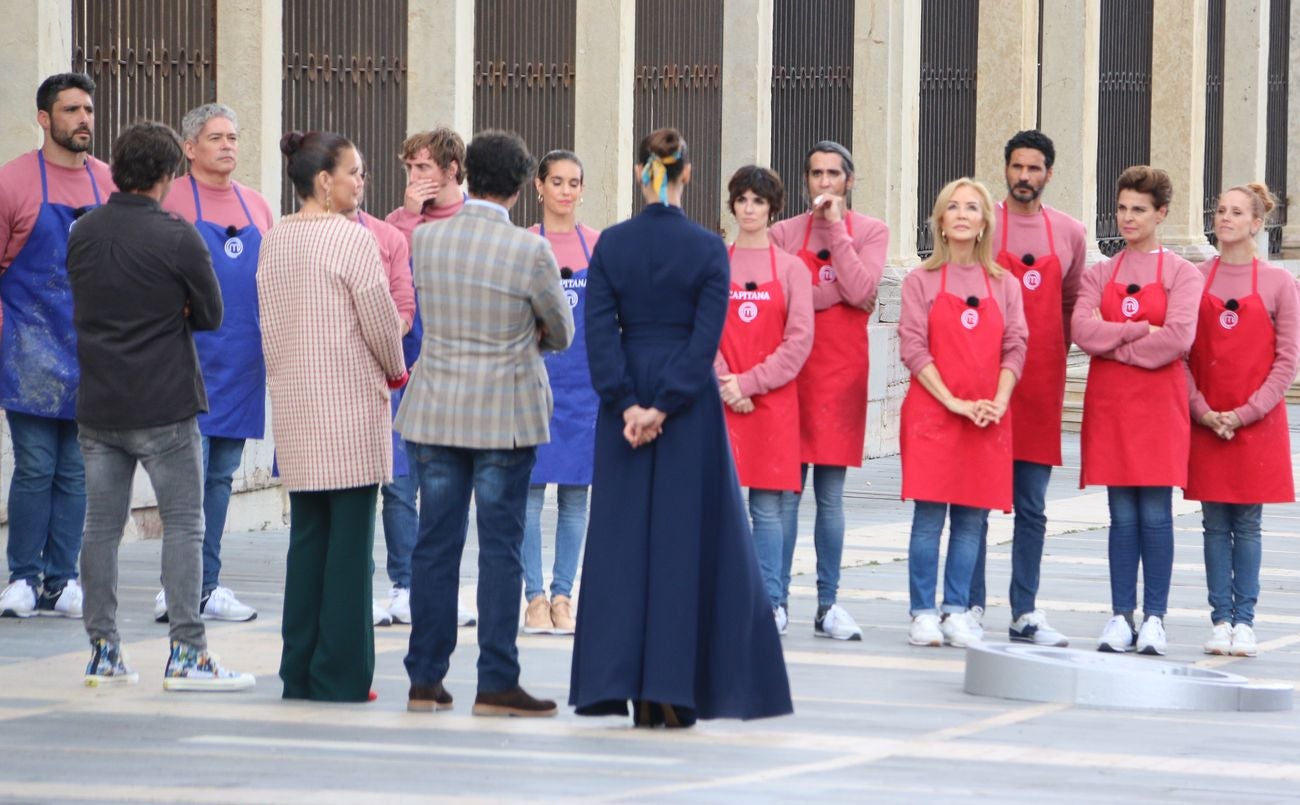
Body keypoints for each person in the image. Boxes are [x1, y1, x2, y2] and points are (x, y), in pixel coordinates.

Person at [569, 128, 792, 727]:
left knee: (622, 546)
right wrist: (665, 405)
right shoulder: (707, 249)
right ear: (686, 175)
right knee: (685, 544)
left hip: (626, 404)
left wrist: (627, 405)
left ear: (644, 173)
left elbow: (597, 334)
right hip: (688, 408)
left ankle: (622, 680)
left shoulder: (610, 245)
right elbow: (704, 340)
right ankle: (676, 686)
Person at [67, 120, 254, 690]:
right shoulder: (179, 235)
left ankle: (103, 650)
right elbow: (212, 315)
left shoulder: (83, 232)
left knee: (100, 527)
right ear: (169, 175)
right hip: (166, 402)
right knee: (184, 524)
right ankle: (188, 653)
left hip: (99, 402)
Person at [399, 130, 574, 718]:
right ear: (525, 186)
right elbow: (563, 331)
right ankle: (497, 679)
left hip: (436, 409)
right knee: (500, 549)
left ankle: (425, 677)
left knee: (434, 545)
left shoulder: (428, 240)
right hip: (505, 413)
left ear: (466, 174)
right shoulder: (532, 252)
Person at [258, 130, 406, 701]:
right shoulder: (352, 240)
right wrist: (396, 370)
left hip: (296, 406)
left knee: (308, 544)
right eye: (355, 171)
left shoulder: (275, 239)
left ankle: (299, 670)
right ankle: (342, 675)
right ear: (324, 181)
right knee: (349, 554)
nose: (360, 181)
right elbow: (379, 319)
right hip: (346, 409)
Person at [1072, 165, 1202, 656]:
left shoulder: (1182, 274)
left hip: (1159, 407)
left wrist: (1114, 340)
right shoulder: (1099, 272)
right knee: (1120, 516)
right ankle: (1119, 615)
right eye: (1123, 208)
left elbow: (1178, 340)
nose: (1128, 218)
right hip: (1111, 406)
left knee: (1156, 515)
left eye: (1139, 210)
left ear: (1161, 214)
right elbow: (1083, 331)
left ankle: (1155, 618)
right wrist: (1138, 332)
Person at [154, 103, 275, 625]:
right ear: (188, 147)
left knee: (222, 477)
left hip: (243, 363)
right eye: (216, 137)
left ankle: (209, 583)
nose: (228, 145)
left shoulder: (258, 206)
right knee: (188, 478)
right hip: (187, 360)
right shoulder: (169, 201)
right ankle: (174, 588)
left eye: (233, 136)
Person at [0, 73, 114, 619]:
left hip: (91, 350)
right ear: (45, 118)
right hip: (27, 346)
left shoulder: (109, 185)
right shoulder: (12, 182)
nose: (84, 119)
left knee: (76, 471)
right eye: (71, 110)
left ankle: (61, 579)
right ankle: (22, 576)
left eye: (88, 109)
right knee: (36, 465)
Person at [968, 130, 1087, 647]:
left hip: (1040, 385)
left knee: (1032, 507)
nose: (1024, 177)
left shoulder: (1071, 233)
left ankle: (1025, 610)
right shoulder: (983, 226)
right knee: (973, 497)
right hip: (983, 381)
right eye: (1017, 167)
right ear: (1006, 169)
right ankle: (967, 602)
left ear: (1049, 173)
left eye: (1034, 168)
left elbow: (1072, 304)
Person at [899, 178, 1027, 648]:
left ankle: (956, 610)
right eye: (952, 206)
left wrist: (1000, 398)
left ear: (983, 224)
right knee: (929, 516)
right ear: (939, 220)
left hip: (989, 415)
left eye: (972, 208)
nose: (961, 214)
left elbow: (1016, 345)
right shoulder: (920, 280)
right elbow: (913, 346)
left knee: (971, 519)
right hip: (934, 414)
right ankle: (922, 612)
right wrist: (951, 400)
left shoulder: (1004, 283)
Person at [769, 141, 888, 641]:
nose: (823, 183)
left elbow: (863, 292)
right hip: (791, 373)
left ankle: (829, 602)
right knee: (785, 496)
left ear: (849, 181)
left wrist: (837, 230)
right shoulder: (781, 232)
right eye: (815, 173)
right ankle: (775, 599)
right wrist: (828, 291)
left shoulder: (871, 232)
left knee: (832, 497)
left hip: (841, 375)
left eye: (833, 174)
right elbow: (779, 298)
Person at [1186, 183, 1299, 658]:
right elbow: (1182, 355)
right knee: (1213, 523)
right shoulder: (1195, 279)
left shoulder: (1278, 284)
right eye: (1220, 210)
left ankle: (1245, 621)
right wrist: (1204, 411)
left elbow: (1287, 360)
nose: (1224, 218)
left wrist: (1247, 412)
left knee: (1248, 524)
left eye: (1236, 212)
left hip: (1256, 422)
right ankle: (1219, 619)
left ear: (1257, 223)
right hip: (1207, 419)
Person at [714, 165, 813, 634]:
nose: (749, 209)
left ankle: (772, 600)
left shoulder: (792, 269)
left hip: (772, 403)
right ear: (732, 205)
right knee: (721, 506)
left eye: (759, 201)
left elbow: (798, 342)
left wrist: (748, 384)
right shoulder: (716, 261)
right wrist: (724, 384)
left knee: (769, 508)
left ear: (774, 209)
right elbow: (702, 330)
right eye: (742, 200)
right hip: (720, 404)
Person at [385, 128, 477, 629]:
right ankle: (403, 585)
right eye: (410, 168)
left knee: (448, 487)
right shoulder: (396, 224)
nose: (416, 177)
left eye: (424, 168)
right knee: (400, 484)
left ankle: (441, 584)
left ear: (452, 169)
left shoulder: (473, 220)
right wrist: (408, 217)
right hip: (402, 366)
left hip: (455, 371)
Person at [521, 150, 601, 636]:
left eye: (574, 182)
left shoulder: (598, 246)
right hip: (531, 386)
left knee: (575, 497)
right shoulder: (523, 244)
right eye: (557, 181)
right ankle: (533, 598)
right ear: (538, 186)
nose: (565, 191)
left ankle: (564, 595)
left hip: (584, 390)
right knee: (528, 495)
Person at [346, 153, 417, 628]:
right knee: (349, 488)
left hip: (387, 371)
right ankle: (354, 586)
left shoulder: (387, 235)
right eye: (351, 172)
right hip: (334, 377)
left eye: (361, 172)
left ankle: (404, 585)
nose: (359, 181)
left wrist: (384, 341)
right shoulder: (300, 232)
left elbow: (403, 302)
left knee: (398, 484)